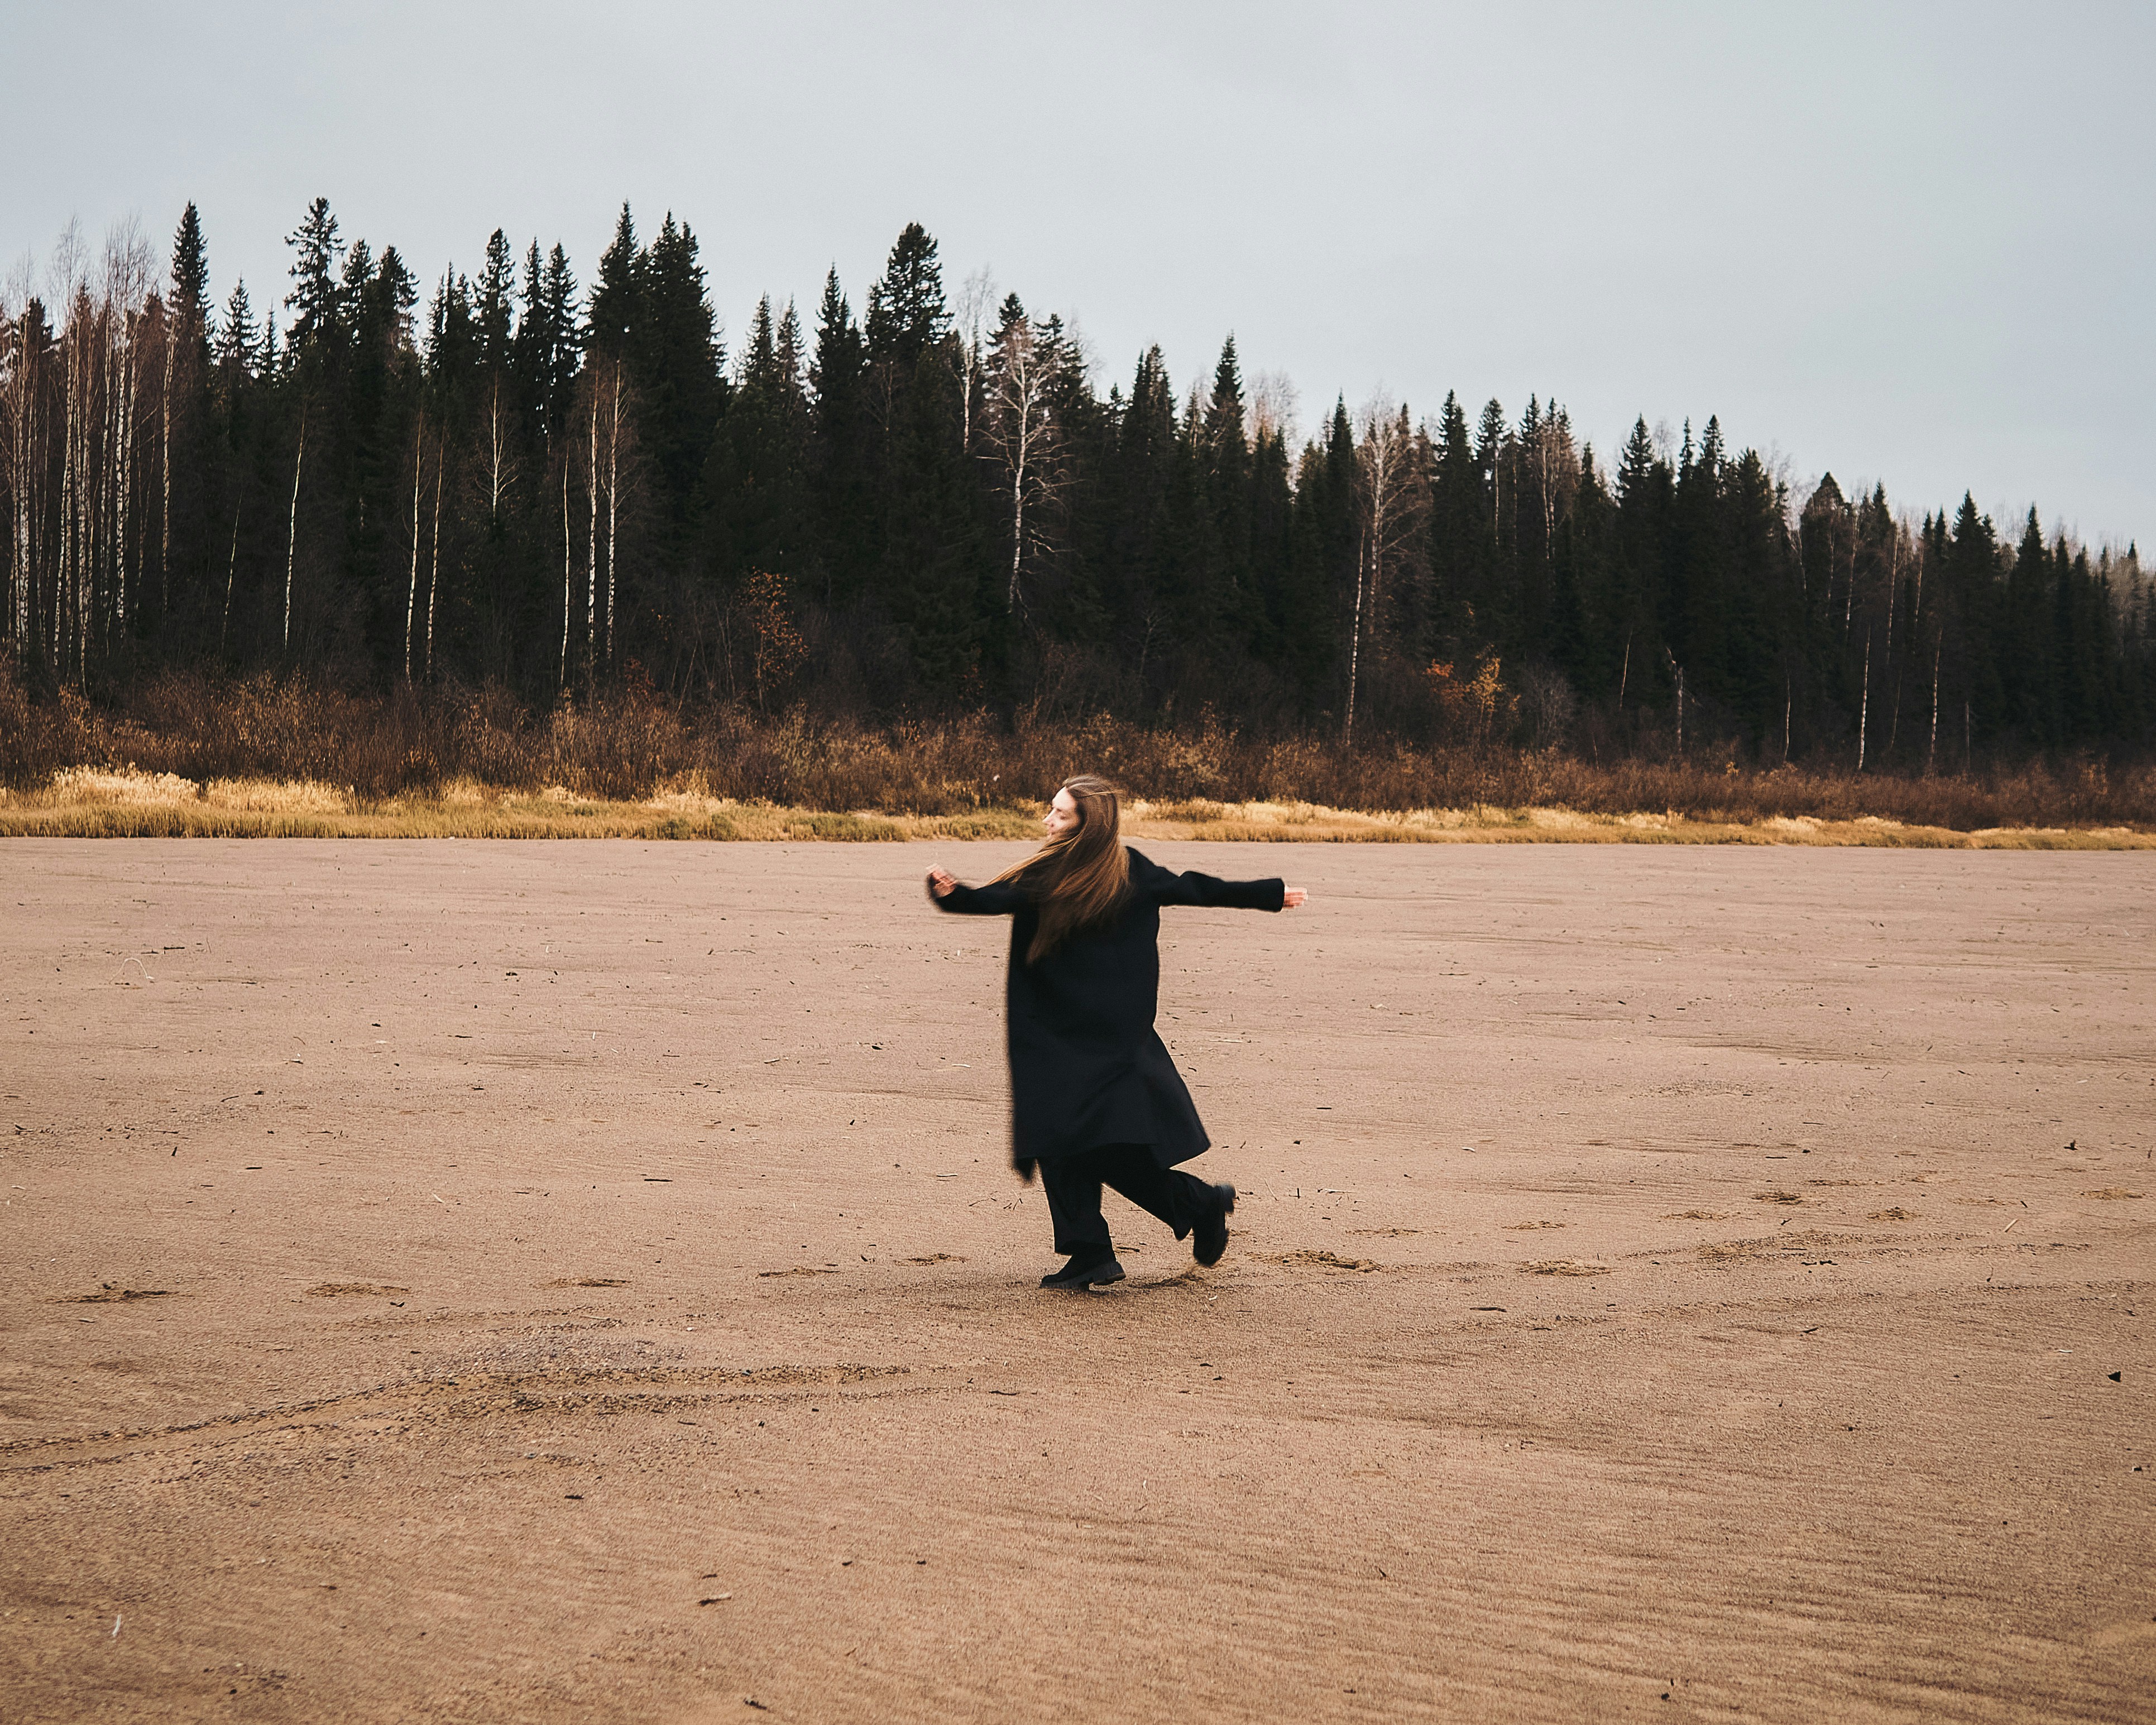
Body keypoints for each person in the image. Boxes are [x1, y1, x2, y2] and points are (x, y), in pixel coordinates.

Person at [926, 775, 1308, 1289]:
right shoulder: (1047, 874)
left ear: (1089, 825)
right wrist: (952, 894)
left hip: (1108, 1044)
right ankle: (1111, 1242)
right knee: (1064, 1139)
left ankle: (1172, 1213)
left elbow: (1195, 887)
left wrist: (1269, 894)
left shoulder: (1128, 873)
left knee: (1090, 1143)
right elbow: (994, 899)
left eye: (1061, 814)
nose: (1048, 820)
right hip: (1060, 1038)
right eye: (1052, 811)